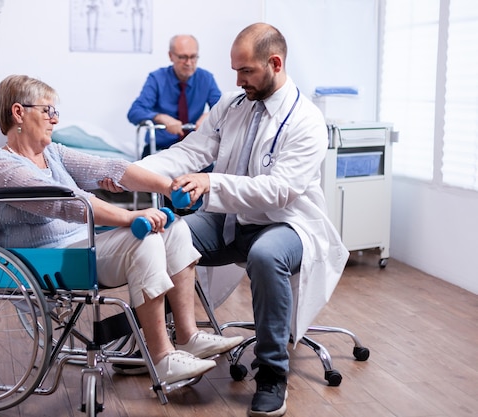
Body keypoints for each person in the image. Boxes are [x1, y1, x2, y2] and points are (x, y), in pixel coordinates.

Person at [103, 23, 349, 416]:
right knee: (171, 233)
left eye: (246, 71)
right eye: (235, 71)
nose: (238, 81)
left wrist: (209, 182)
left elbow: (278, 191)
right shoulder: (234, 106)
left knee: (266, 257)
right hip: (230, 218)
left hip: (285, 224)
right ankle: (159, 345)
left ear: (275, 63)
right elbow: (191, 151)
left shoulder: (306, 120)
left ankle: (271, 373)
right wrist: (135, 172)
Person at [0, 75, 242, 385]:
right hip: (41, 261)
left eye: (56, 112)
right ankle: (161, 358)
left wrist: (169, 188)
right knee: (141, 240)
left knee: (176, 229)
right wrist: (131, 216)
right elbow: (67, 205)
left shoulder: (52, 153)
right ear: (18, 112)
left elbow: (111, 168)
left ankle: (187, 336)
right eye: (48, 110)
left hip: (77, 249)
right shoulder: (1, 167)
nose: (55, 119)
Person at [128, 34, 221, 157]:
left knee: (209, 174)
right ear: (171, 56)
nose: (188, 63)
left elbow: (223, 108)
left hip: (193, 149)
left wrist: (210, 115)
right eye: (183, 57)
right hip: (160, 149)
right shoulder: (157, 79)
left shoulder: (206, 79)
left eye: (193, 57)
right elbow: (135, 112)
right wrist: (161, 117)